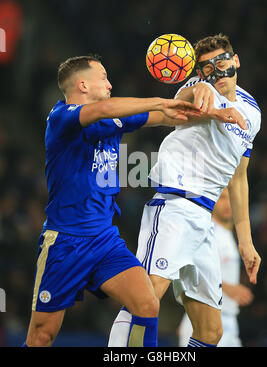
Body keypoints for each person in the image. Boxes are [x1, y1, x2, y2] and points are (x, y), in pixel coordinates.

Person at [22, 54, 208, 347]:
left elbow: (169, 114)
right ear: (82, 84)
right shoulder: (61, 118)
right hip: (65, 242)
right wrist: (159, 100)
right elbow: (108, 108)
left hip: (105, 240)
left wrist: (198, 92)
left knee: (147, 304)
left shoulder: (112, 118)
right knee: (41, 336)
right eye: (103, 77)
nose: (110, 83)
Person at [108, 33, 261, 348]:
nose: (216, 72)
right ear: (198, 72)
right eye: (206, 68)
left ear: (236, 61)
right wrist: (201, 89)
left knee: (210, 331)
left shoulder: (252, 111)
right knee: (145, 298)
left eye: (221, 62)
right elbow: (195, 96)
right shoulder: (195, 90)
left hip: (204, 220)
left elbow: (239, 177)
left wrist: (246, 243)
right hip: (175, 207)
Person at [178, 188, 254, 347]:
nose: (227, 204)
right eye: (222, 198)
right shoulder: (204, 230)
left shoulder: (229, 235)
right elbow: (186, 270)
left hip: (229, 320)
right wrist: (227, 287)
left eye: (230, 198)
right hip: (203, 321)